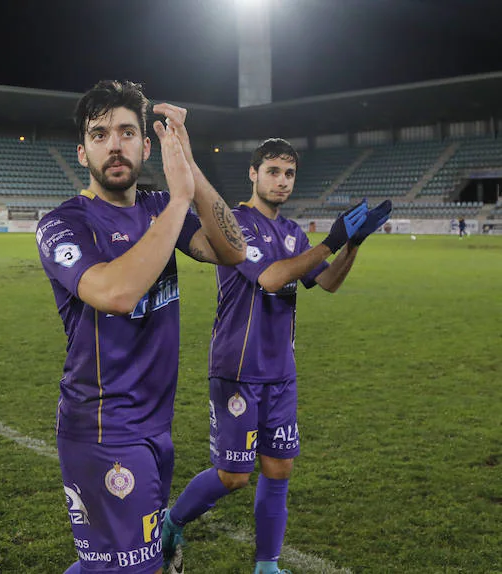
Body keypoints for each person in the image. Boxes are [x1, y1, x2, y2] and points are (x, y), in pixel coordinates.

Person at [37, 79, 245, 574]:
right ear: (83, 150)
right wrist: (179, 202)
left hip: (156, 426)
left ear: (147, 146)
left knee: (121, 563)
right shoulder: (63, 223)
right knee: (133, 567)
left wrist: (189, 170)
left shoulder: (155, 207)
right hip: (103, 427)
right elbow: (115, 293)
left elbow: (234, 251)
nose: (114, 143)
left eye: (127, 132)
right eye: (100, 133)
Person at [160, 138, 392, 574]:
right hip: (238, 369)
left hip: (281, 372)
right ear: (253, 173)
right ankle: (172, 523)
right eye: (273, 171)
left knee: (279, 469)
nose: (281, 181)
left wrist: (353, 244)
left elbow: (327, 283)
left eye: (288, 174)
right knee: (234, 477)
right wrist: (330, 242)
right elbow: (269, 278)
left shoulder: (292, 233)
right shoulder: (234, 224)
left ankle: (267, 567)